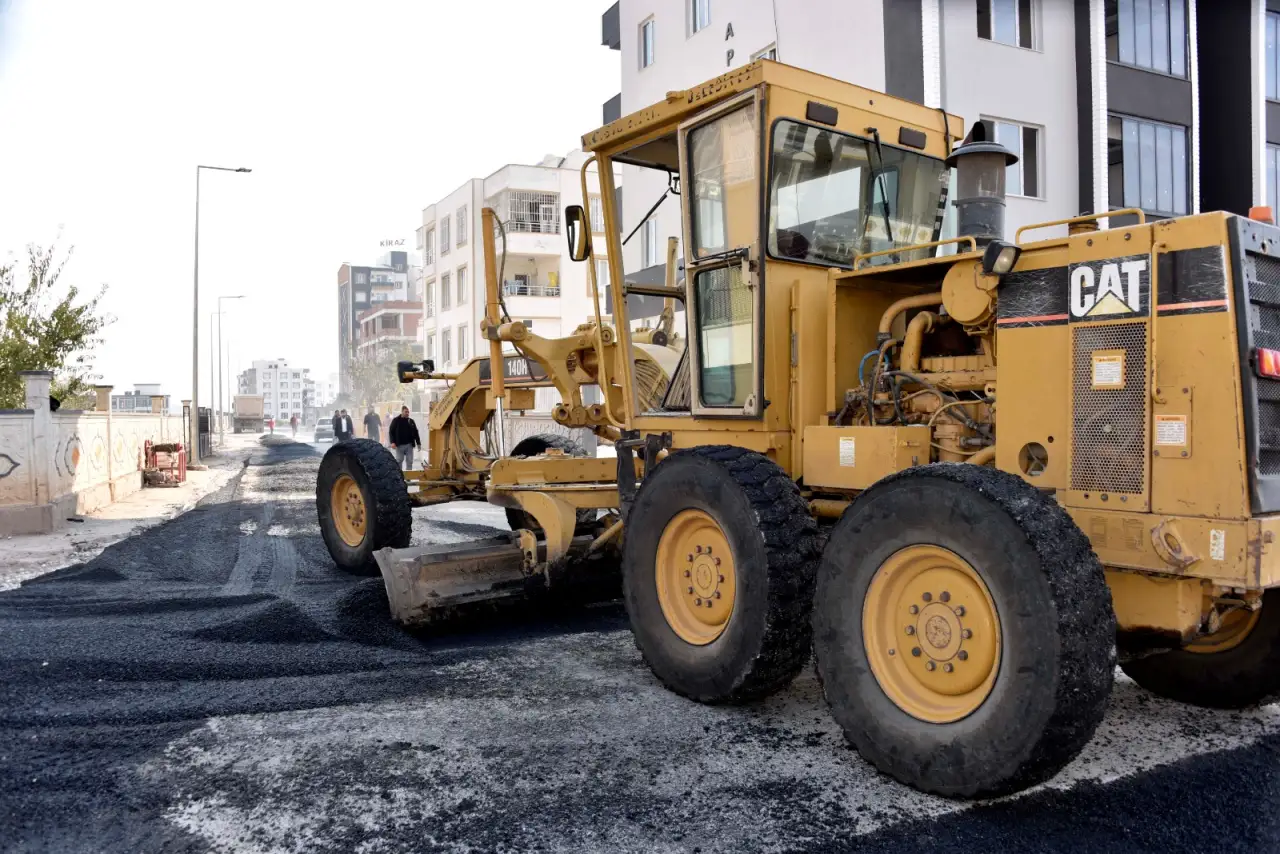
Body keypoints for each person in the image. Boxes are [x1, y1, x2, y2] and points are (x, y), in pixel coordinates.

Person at [388, 405, 421, 470]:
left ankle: (408, 478)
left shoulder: (411, 421)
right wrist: (392, 442)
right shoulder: (396, 420)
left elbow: (416, 432)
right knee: (399, 460)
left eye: (408, 412)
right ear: (402, 412)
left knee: (410, 461)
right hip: (399, 445)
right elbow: (391, 432)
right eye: (406, 412)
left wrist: (418, 443)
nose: (407, 413)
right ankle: (400, 477)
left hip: (409, 445)